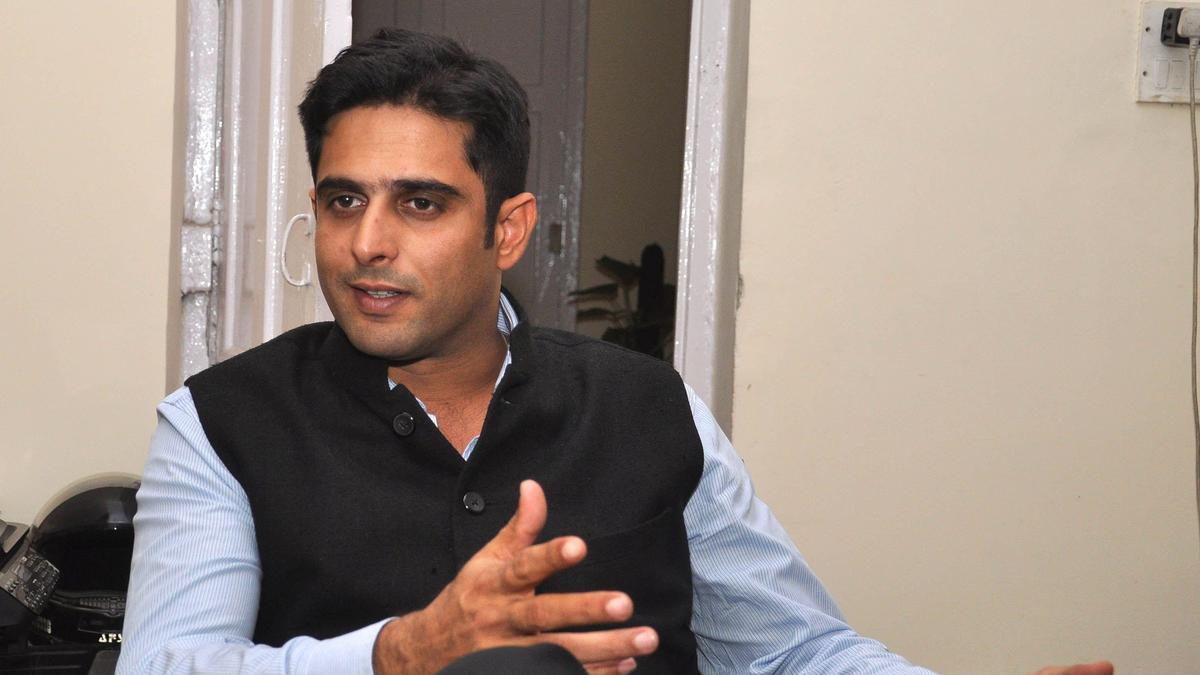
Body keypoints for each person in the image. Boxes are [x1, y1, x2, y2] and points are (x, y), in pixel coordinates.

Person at [117, 29, 1113, 675]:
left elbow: (789, 650)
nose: (367, 242)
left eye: (420, 203)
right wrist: (400, 653)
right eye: (344, 200)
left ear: (508, 230)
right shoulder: (219, 424)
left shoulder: (647, 406)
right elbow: (165, 664)